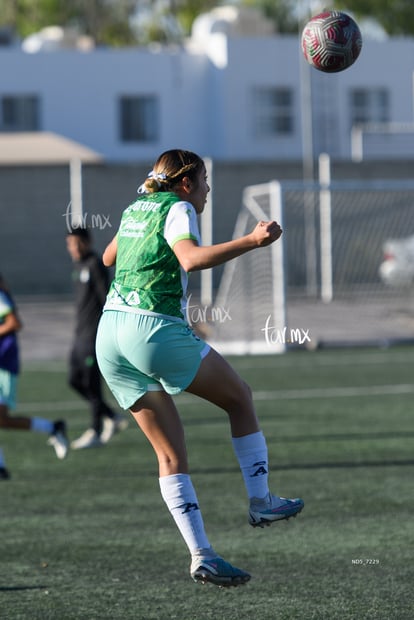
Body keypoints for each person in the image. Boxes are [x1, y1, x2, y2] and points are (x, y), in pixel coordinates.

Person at [95, 149, 304, 587]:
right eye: (205, 181)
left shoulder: (137, 207)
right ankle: (261, 500)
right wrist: (251, 241)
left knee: (169, 454)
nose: (208, 190)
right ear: (186, 183)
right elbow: (189, 259)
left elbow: (108, 258)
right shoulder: (179, 206)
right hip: (150, 329)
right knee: (240, 398)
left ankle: (202, 555)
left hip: (109, 336)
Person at [0, 273, 69, 479]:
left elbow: (14, 323)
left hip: (4, 363)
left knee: (2, 420)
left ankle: (53, 428)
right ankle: (1, 468)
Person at [66, 228, 128, 449]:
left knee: (93, 384)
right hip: (79, 334)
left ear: (87, 242)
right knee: (73, 380)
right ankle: (111, 416)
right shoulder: (77, 266)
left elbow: (106, 299)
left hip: (94, 335)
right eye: (70, 244)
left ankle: (95, 430)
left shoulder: (95, 264)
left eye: (76, 243)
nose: (73, 248)